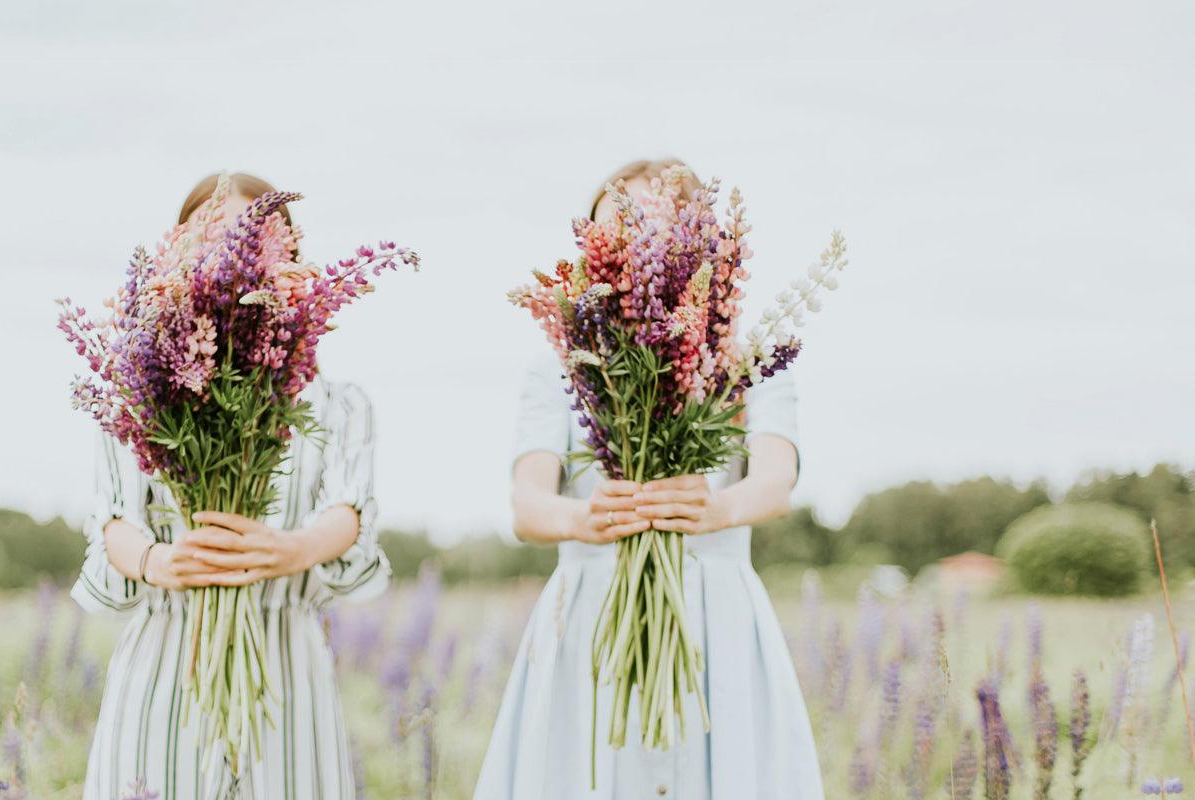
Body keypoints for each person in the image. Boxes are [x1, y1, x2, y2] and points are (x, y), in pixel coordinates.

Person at [474, 159, 824, 799]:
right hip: (587, 607)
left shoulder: (748, 352)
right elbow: (527, 504)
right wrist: (583, 519)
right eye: (616, 229)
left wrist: (717, 509)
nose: (633, 244)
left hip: (714, 609)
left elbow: (778, 482)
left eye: (651, 226)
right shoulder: (558, 357)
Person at [71, 172, 389, 800]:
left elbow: (349, 509)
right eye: (210, 237)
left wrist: (294, 550)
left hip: (289, 675)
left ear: (287, 258)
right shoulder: (141, 390)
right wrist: (160, 561)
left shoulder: (340, 404)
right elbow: (114, 520)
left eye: (251, 238)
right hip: (163, 671)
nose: (229, 254)